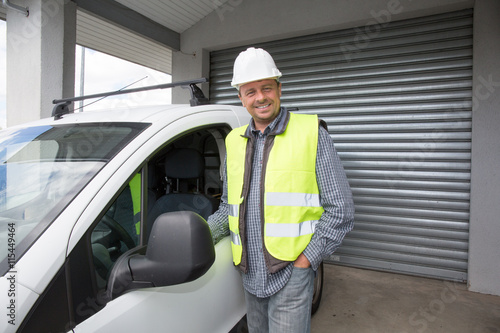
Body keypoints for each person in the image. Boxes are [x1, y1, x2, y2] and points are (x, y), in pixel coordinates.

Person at [207, 47, 354, 333]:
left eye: (266, 88)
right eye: (250, 91)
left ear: (279, 89)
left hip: (291, 273)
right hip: (249, 275)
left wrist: (306, 261)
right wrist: (201, 234)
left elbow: (341, 210)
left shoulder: (312, 134)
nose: (260, 97)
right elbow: (228, 208)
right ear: (241, 97)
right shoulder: (234, 142)